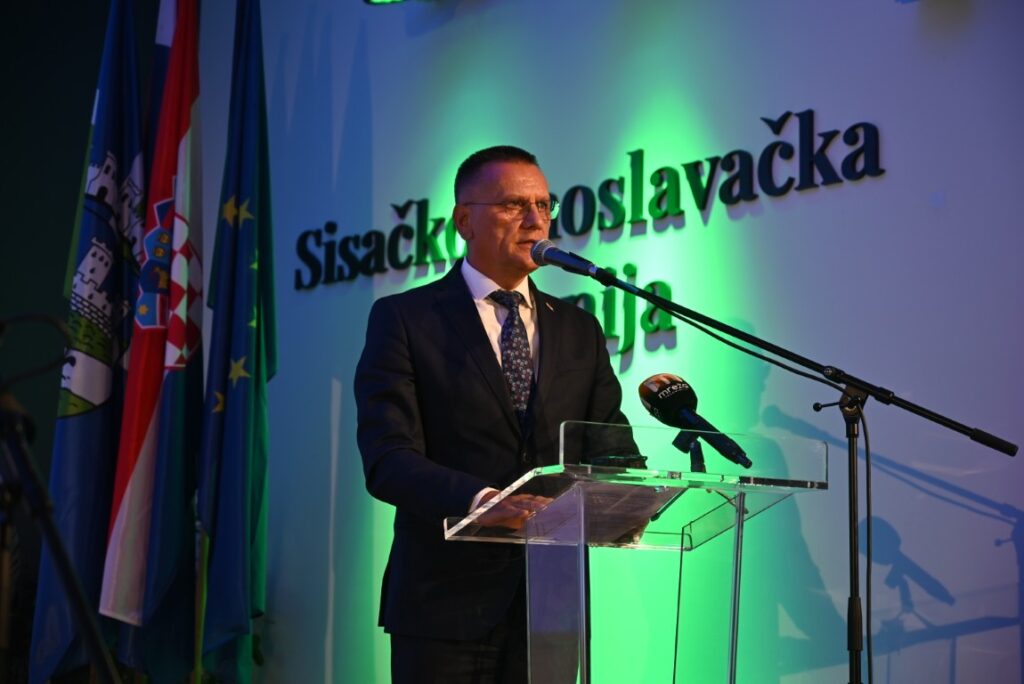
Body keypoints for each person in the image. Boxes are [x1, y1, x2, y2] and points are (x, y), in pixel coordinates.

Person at [354, 145, 632, 683]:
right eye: (512, 205)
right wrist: (484, 502)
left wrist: (632, 492)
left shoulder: (578, 328)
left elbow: (609, 446)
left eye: (543, 205)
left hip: (551, 609)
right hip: (444, 605)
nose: (535, 220)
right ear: (465, 221)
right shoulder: (406, 319)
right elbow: (388, 459)